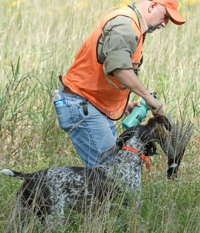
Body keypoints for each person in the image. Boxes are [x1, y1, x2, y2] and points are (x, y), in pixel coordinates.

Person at [54, 0, 185, 168]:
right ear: (152, 6)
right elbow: (120, 68)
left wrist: (124, 105)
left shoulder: (131, 24)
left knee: (108, 175)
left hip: (91, 105)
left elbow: (103, 69)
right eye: (165, 16)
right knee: (111, 176)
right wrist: (148, 99)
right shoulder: (125, 25)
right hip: (83, 106)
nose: (165, 24)